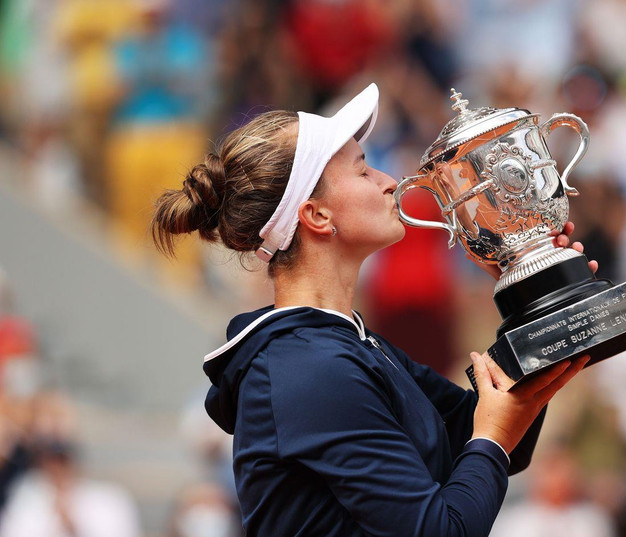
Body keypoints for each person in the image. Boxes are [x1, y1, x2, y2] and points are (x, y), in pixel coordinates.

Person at [151, 83, 594, 536]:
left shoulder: (340, 344)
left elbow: (475, 439)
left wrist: (528, 285)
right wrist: (493, 439)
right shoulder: (308, 368)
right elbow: (445, 523)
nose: (389, 182)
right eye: (363, 171)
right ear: (317, 216)